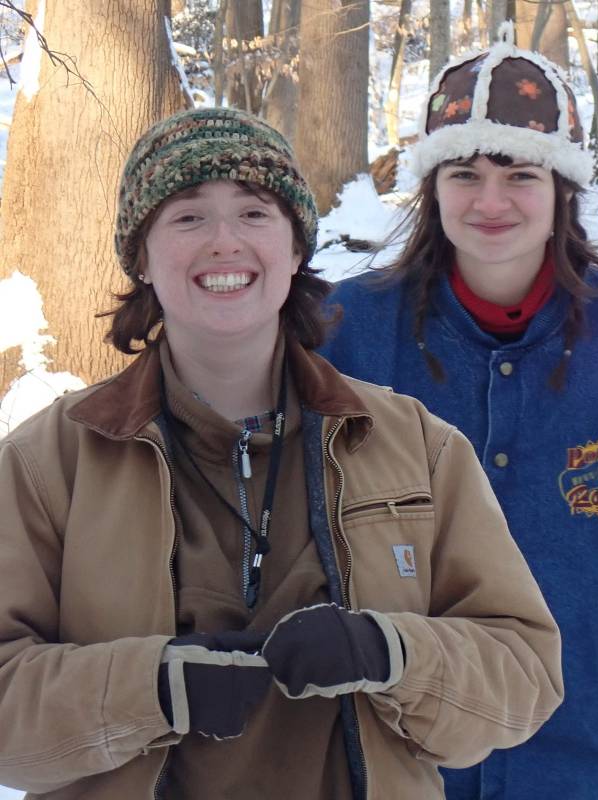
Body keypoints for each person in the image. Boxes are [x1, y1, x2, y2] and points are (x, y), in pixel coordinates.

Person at [0, 107, 562, 800]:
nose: (224, 242)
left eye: (255, 213)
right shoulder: (50, 461)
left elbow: (525, 673)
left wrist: (391, 652)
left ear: (296, 251)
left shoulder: (415, 444)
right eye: (187, 217)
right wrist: (151, 688)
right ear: (140, 257)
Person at [320, 23, 598, 800]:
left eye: (519, 173)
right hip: (397, 762)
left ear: (561, 188)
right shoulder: (347, 335)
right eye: (463, 172)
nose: (490, 200)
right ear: (431, 186)